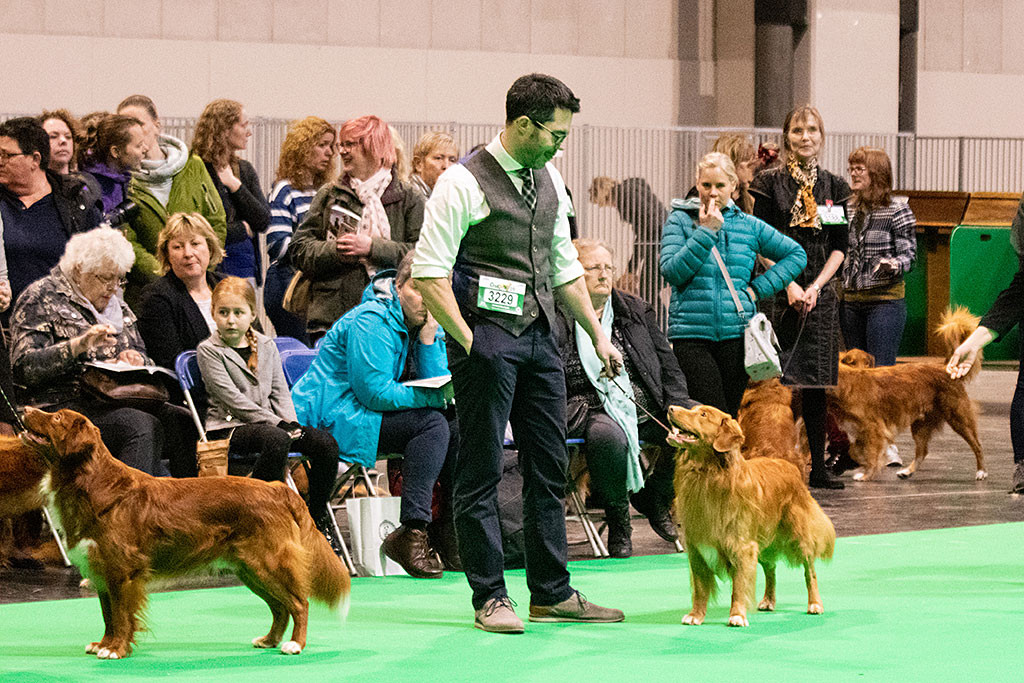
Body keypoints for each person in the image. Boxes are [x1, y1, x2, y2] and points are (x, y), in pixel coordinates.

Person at [413, 73, 624, 633]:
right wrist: (469, 341)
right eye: (555, 133)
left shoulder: (550, 176)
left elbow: (563, 268)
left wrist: (598, 336)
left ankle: (552, 591)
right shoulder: (461, 182)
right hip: (484, 340)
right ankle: (490, 596)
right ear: (524, 125)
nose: (561, 143)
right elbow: (430, 273)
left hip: (539, 338)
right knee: (480, 469)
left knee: (549, 466)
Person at [291, 252, 457, 578]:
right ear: (397, 286)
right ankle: (412, 530)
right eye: (418, 289)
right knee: (433, 423)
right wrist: (435, 396)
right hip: (332, 415)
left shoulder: (426, 323)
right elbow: (375, 393)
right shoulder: (371, 320)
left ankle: (447, 531)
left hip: (365, 413)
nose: (426, 299)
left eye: (436, 290)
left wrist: (427, 338)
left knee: (456, 425)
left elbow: (435, 381)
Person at [9, 227, 196, 477]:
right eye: (104, 278)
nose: (112, 287)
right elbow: (24, 369)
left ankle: (179, 508)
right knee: (140, 425)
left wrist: (136, 358)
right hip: (63, 407)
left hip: (115, 398)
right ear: (78, 271)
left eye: (118, 279)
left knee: (182, 420)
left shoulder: (118, 305)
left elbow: (142, 352)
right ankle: (125, 511)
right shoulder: (40, 298)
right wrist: (78, 346)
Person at [556, 238, 699, 558]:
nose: (605, 275)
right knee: (609, 435)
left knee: (701, 427)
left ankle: (655, 495)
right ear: (574, 272)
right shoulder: (559, 312)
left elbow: (668, 365)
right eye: (594, 268)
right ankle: (619, 519)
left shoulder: (634, 310)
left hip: (645, 406)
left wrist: (679, 408)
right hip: (588, 407)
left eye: (609, 268)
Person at [749, 105, 851, 490]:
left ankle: (818, 469)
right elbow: (759, 239)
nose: (805, 137)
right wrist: (788, 283)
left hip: (819, 292)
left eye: (812, 130)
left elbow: (840, 246)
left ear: (821, 137)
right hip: (778, 287)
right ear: (786, 136)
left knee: (815, 384)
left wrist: (816, 287)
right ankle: (767, 458)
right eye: (797, 130)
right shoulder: (768, 183)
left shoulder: (834, 188)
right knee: (771, 380)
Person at [196, 277, 341, 546]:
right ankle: (263, 517)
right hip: (228, 427)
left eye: (238, 313)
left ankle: (317, 515)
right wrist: (278, 424)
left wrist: (292, 423)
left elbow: (279, 392)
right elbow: (232, 400)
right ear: (213, 313)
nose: (230, 320)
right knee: (277, 439)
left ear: (252, 314)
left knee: (325, 443)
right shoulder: (208, 351)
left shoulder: (266, 345)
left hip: (271, 424)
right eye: (223, 312)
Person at [662, 152, 806, 418]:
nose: (713, 193)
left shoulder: (748, 226)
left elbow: (796, 255)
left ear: (734, 187)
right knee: (713, 416)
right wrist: (706, 232)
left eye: (720, 185)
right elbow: (671, 272)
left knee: (728, 416)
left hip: (737, 337)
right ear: (697, 184)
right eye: (706, 185)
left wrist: (756, 291)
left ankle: (729, 461)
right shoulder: (680, 220)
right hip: (692, 336)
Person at [289, 115, 424, 341]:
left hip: (391, 321)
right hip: (332, 321)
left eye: (350, 144)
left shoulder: (409, 199)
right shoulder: (329, 195)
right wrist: (335, 251)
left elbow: (421, 255)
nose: (341, 151)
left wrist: (373, 248)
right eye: (341, 144)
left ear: (375, 147)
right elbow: (299, 250)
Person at [116, 95, 227, 296]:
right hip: (147, 292)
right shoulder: (121, 180)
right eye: (125, 125)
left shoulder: (193, 165)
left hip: (198, 286)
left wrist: (199, 267)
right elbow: (126, 242)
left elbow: (216, 222)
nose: (133, 131)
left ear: (157, 126)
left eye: (139, 123)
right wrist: (166, 275)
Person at [0, 117, 102, 316]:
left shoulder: (75, 203)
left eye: (7, 155)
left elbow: (100, 266)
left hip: (63, 328)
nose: (0, 162)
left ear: (35, 160)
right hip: (6, 330)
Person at [840, 147, 917, 367]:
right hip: (850, 302)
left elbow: (910, 256)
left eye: (859, 169)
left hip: (885, 301)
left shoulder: (898, 210)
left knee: (881, 372)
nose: (853, 174)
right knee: (855, 374)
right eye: (851, 169)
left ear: (876, 172)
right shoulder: (846, 208)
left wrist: (893, 264)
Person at [265, 116, 337, 342]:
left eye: (331, 146)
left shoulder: (325, 191)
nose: (329, 152)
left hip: (317, 283)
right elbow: (277, 245)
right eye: (322, 145)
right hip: (289, 282)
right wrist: (320, 251)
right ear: (303, 148)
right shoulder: (284, 190)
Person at [192, 100, 270, 284]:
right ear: (224, 129)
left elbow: (263, 220)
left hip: (244, 268)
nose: (249, 132)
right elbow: (201, 228)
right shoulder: (198, 169)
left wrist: (235, 186)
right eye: (243, 125)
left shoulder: (244, 169)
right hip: (211, 269)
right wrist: (241, 228)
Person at [136, 212, 224, 369]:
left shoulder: (227, 285)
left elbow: (257, 342)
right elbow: (173, 363)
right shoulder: (157, 298)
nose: (188, 253)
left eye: (195, 244)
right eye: (178, 247)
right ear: (168, 255)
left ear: (209, 248)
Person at [588, 175, 667, 281]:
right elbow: (645, 230)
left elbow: (647, 229)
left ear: (606, 196)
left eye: (606, 202)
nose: (612, 206)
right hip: (663, 236)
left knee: (648, 287)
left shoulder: (626, 197)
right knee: (649, 286)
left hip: (659, 240)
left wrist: (631, 269)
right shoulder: (631, 189)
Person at [79, 114, 149, 218]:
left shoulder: (120, 179)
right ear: (116, 152)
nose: (146, 149)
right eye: (139, 145)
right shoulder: (90, 188)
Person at [685, 135, 758, 214]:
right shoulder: (698, 195)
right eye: (750, 165)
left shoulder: (745, 195)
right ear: (733, 164)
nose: (753, 171)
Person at [410, 131, 458, 198]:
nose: (446, 166)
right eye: (439, 158)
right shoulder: (408, 198)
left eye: (452, 160)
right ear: (419, 164)